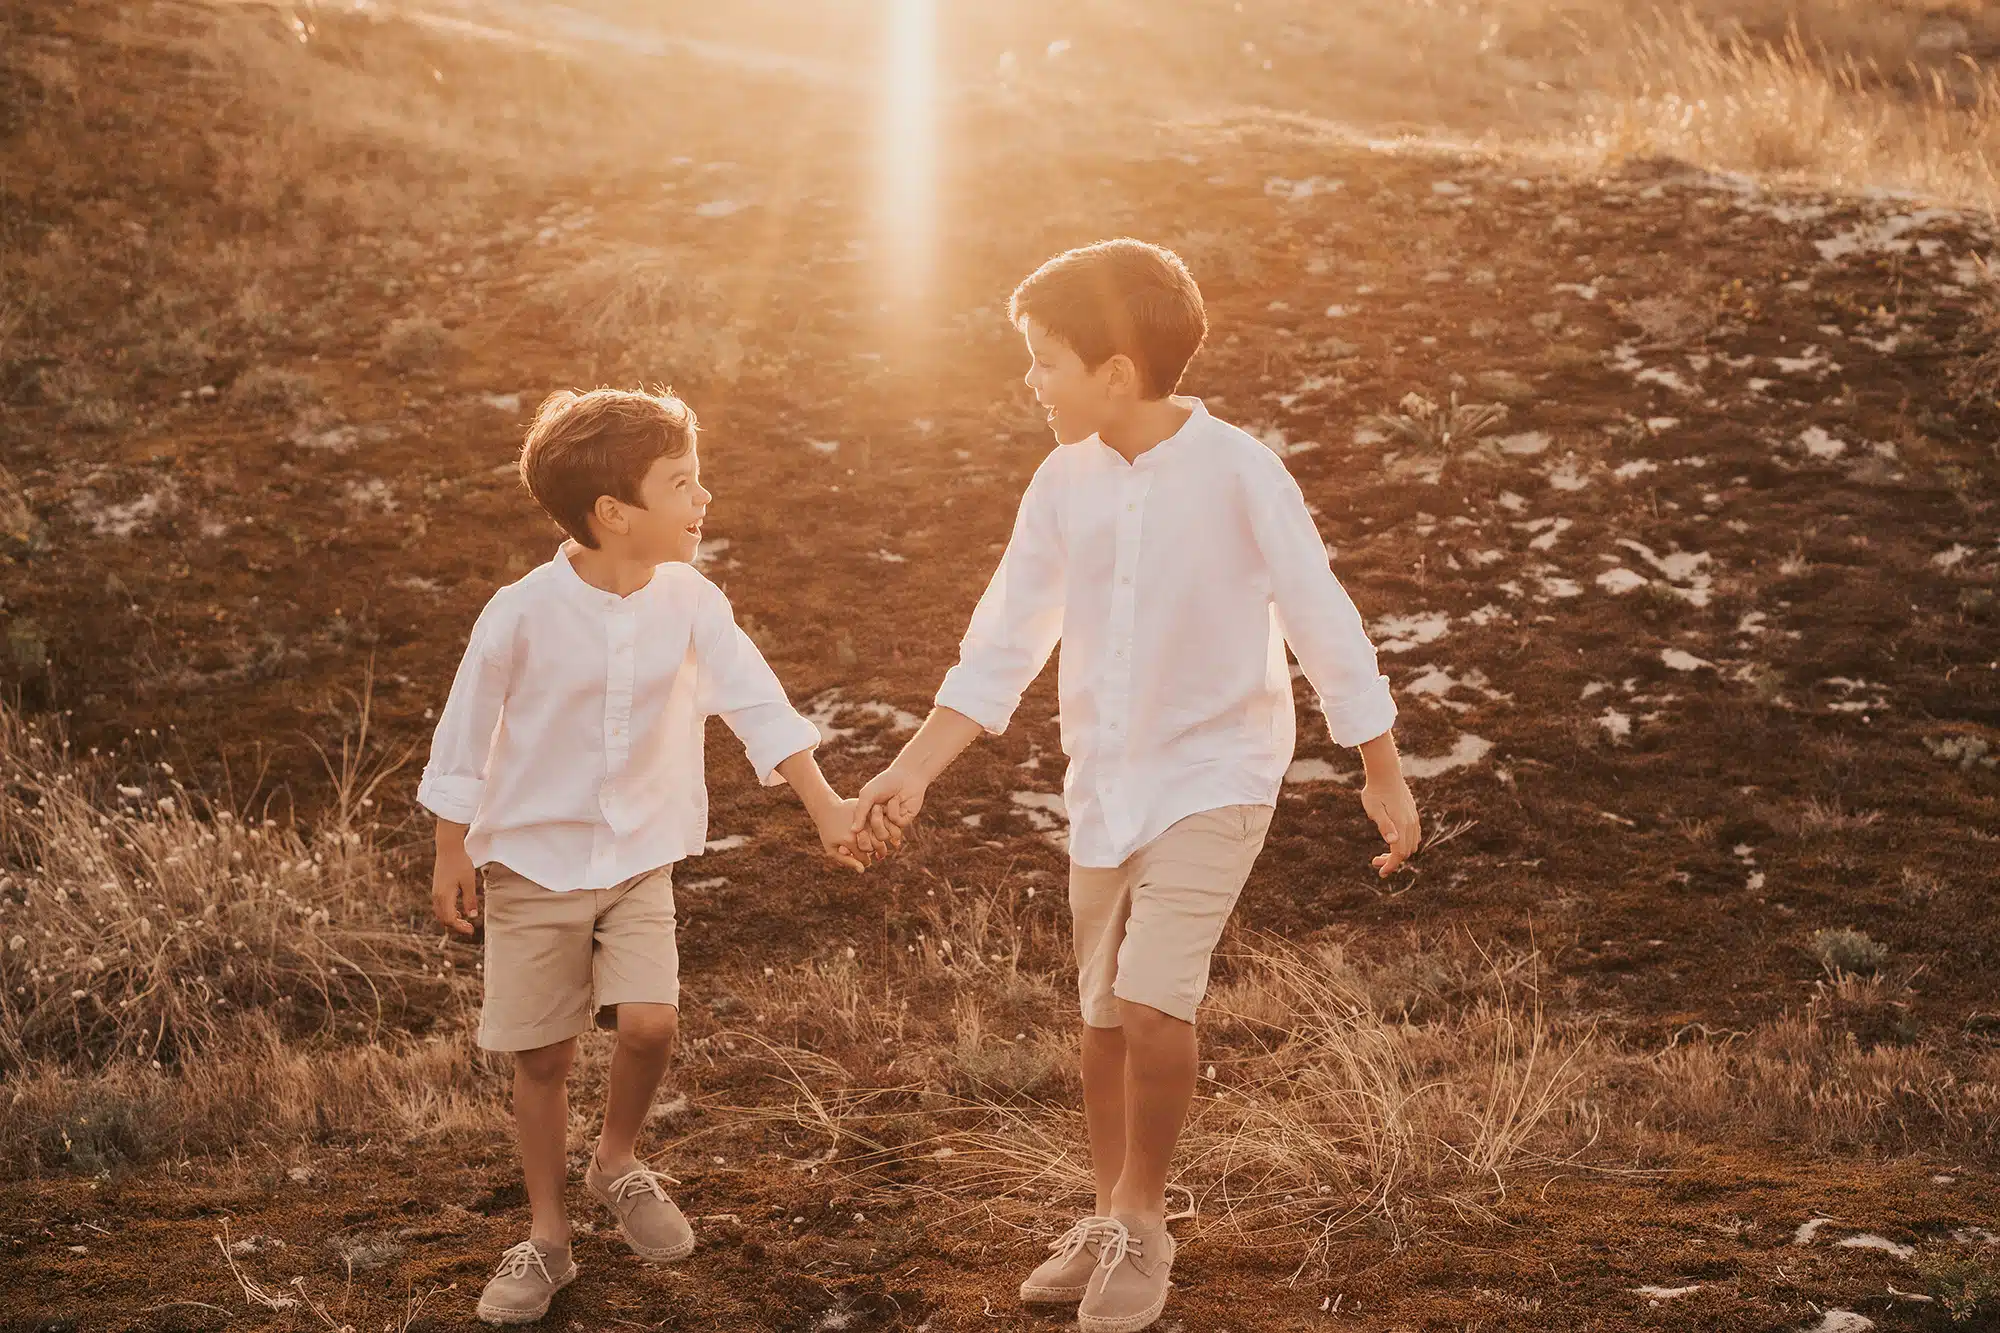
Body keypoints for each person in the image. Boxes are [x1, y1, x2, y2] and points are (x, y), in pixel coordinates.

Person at [852, 240, 1421, 1333]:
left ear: (1115, 369)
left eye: (1045, 360)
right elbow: (1000, 645)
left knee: (1157, 1000)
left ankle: (1147, 1222)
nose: (1030, 381)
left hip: (1218, 771)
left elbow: (1320, 617)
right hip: (1104, 784)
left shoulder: (1240, 469)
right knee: (1104, 1018)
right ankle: (1109, 1211)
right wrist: (912, 771)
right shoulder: (1059, 483)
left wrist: (1379, 767)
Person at [418, 387, 879, 1325]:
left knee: (651, 1025)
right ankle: (548, 1236)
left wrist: (826, 804)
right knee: (542, 1057)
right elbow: (462, 736)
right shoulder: (518, 613)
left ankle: (616, 1162)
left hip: (640, 858)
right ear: (612, 513)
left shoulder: (693, 600)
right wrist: (450, 846)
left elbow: (754, 697)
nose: (703, 498)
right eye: (682, 483)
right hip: (534, 866)